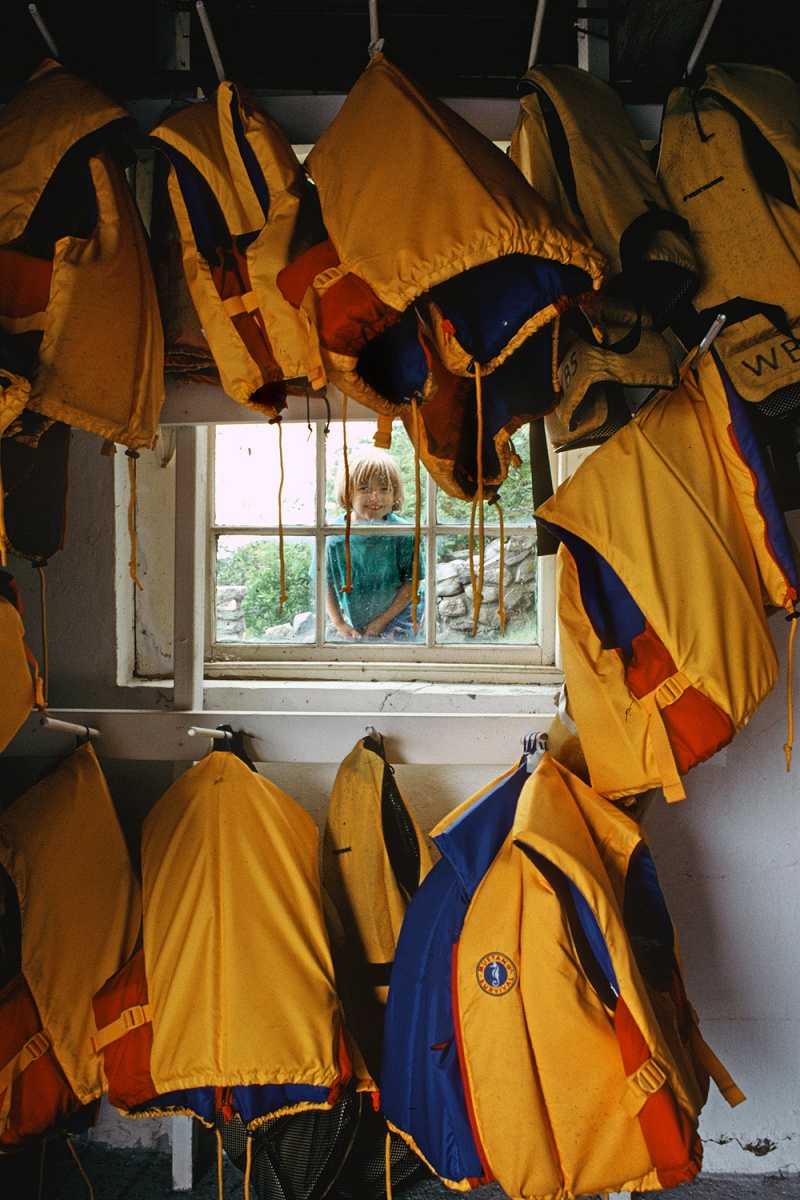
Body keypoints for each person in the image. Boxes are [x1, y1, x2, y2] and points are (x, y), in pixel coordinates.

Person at [326, 447, 424, 640]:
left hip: (402, 612)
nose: (376, 497)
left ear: (394, 493)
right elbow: (325, 581)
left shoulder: (403, 532)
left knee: (397, 662)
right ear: (347, 492)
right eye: (365, 489)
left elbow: (412, 583)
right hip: (361, 617)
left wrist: (381, 621)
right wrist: (339, 622)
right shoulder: (333, 534)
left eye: (384, 489)